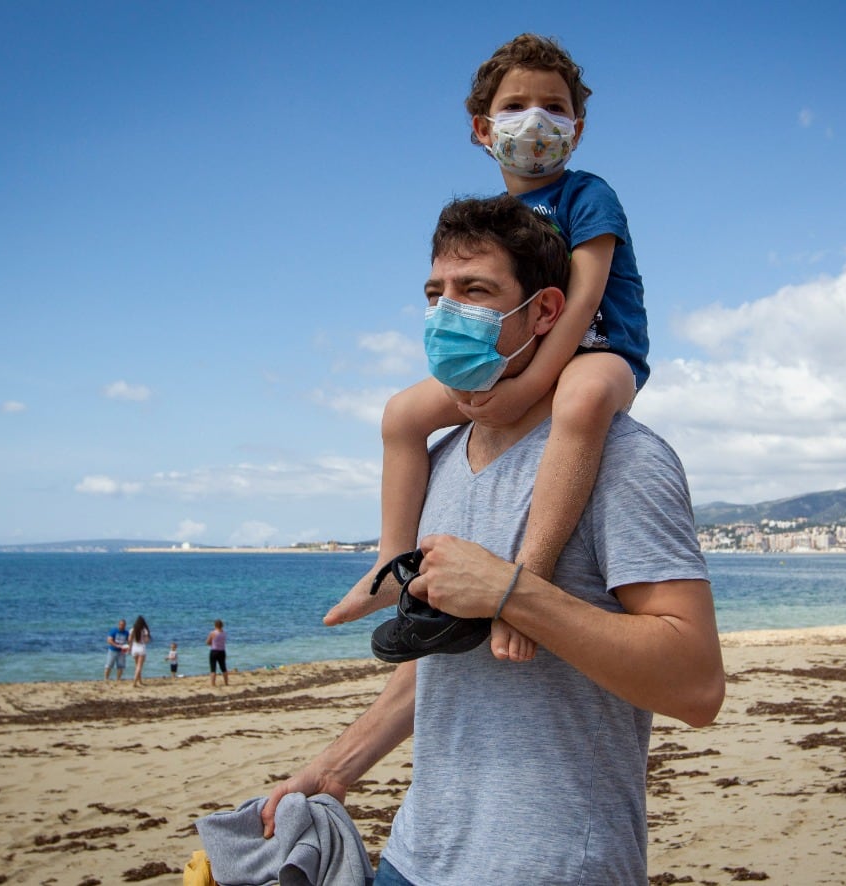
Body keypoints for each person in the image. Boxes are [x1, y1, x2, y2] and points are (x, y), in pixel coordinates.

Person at [260, 195, 724, 885]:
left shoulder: (625, 461)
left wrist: (512, 592)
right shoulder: (441, 458)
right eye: (435, 294)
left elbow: (697, 685)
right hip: (414, 858)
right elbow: (451, 658)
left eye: (475, 291)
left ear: (545, 312)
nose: (447, 311)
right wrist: (336, 768)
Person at [340, 33, 647, 665]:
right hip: (526, 353)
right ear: (483, 128)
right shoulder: (499, 218)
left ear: (578, 128)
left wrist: (526, 388)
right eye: (515, 106)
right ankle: (391, 562)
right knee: (402, 414)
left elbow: (583, 300)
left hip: (601, 348)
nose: (535, 120)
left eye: (554, 107)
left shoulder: (587, 195)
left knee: (583, 401)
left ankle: (529, 578)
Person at [129, 615, 151, 687]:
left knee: (137, 666)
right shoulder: (144, 630)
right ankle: (134, 682)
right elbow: (146, 641)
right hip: (141, 647)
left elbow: (129, 640)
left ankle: (140, 681)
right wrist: (146, 638)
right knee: (139, 666)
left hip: (134, 648)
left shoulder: (132, 629)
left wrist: (129, 648)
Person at [207, 619, 228, 686]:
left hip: (214, 651)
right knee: (223, 667)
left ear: (215, 625)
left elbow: (208, 642)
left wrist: (211, 643)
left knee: (213, 668)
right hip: (222, 651)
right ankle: (226, 683)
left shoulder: (212, 633)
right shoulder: (224, 633)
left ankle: (213, 683)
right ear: (222, 625)